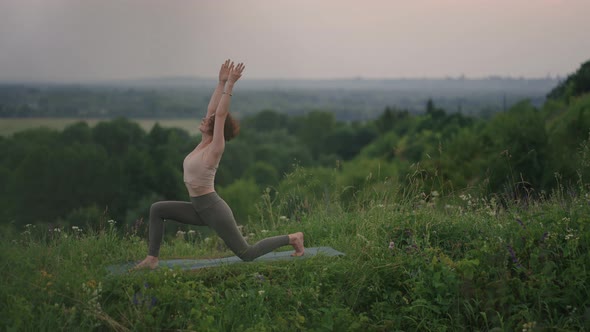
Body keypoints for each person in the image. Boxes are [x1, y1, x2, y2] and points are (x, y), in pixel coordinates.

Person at [135, 59, 304, 269]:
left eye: (209, 120)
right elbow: (213, 109)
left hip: (213, 208)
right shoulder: (202, 144)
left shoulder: (215, 148)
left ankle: (293, 238)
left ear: (215, 129)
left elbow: (220, 115)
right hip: (198, 208)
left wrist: (231, 85)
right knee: (157, 209)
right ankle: (152, 259)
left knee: (247, 254)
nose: (205, 119)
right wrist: (220, 82)